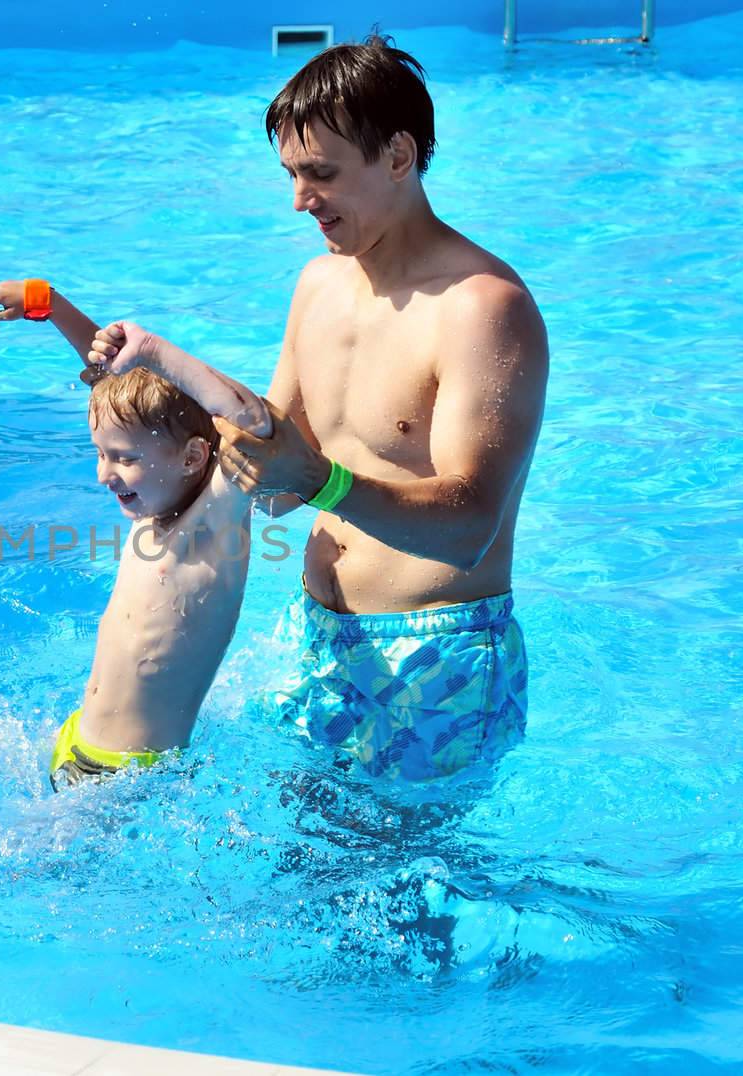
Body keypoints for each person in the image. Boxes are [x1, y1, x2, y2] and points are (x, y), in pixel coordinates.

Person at [210, 35, 549, 781]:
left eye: (321, 174)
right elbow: (273, 486)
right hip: (316, 632)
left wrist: (322, 481)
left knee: (404, 888)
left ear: (398, 156)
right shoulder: (319, 286)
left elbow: (468, 527)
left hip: (437, 651)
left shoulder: (483, 309)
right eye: (292, 175)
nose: (300, 200)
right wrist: (154, 392)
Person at [0, 280, 271, 789]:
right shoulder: (153, 506)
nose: (103, 475)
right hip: (74, 737)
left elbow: (254, 423)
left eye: (124, 460)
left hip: (126, 775)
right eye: (102, 454)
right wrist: (48, 304)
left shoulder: (215, 521)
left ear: (193, 457)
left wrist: (153, 350)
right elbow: (112, 384)